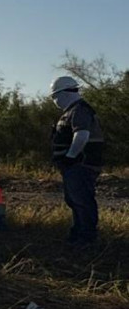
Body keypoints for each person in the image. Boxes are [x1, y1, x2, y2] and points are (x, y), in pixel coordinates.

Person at [50, 76, 104, 245]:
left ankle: (86, 238)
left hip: (80, 165)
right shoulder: (73, 110)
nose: (54, 101)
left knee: (82, 200)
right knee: (75, 200)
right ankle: (78, 233)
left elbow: (82, 135)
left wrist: (70, 157)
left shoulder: (79, 110)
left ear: (64, 93)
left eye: (54, 96)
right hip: (74, 166)